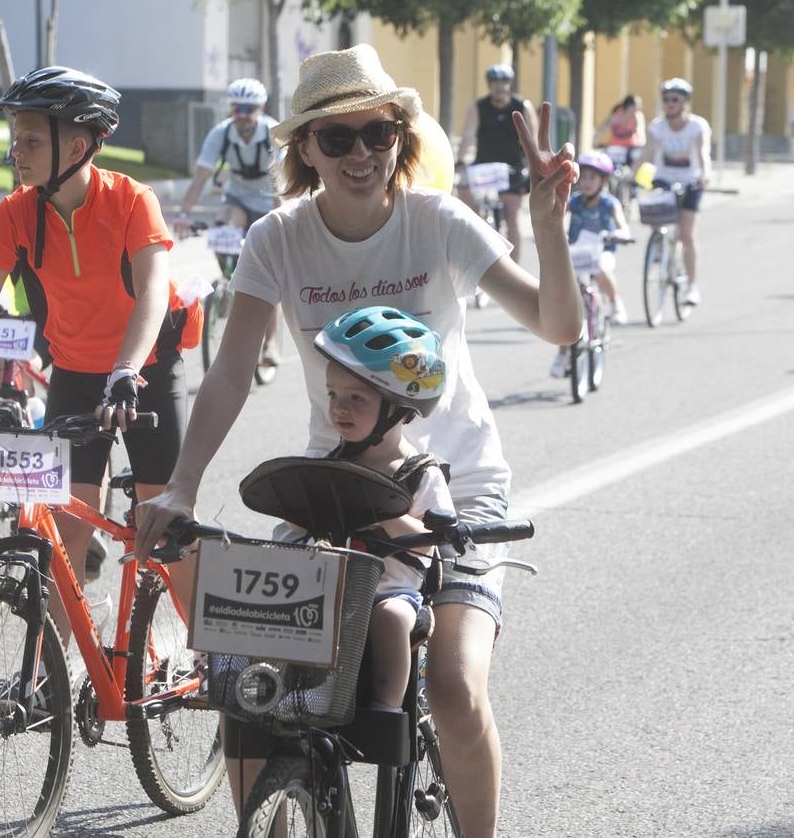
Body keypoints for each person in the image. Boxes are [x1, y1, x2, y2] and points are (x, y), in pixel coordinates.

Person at [134, 43, 582, 837]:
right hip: (335, 487)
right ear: (304, 148)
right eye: (336, 139)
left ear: (399, 138)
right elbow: (232, 373)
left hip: (454, 489)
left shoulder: (437, 221)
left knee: (451, 688)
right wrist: (181, 485)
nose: (361, 154)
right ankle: (275, 817)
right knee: (252, 683)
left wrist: (549, 226)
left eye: (377, 133)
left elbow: (557, 325)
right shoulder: (278, 238)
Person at [0, 65, 195, 636]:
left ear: (77, 146)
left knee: (167, 530)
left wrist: (127, 371)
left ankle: (212, 661)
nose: (17, 151)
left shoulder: (133, 201)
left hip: (144, 372)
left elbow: (152, 294)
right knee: (64, 537)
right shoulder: (15, 213)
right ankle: (52, 673)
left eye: (31, 139)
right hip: (76, 373)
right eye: (15, 138)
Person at [314, 307, 452, 712]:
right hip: (335, 585)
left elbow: (428, 545)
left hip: (393, 591)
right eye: (334, 395)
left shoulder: (420, 473)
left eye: (357, 398)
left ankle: (386, 709)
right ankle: (296, 693)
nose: (340, 408)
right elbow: (302, 519)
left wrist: (379, 508)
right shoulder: (332, 463)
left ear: (397, 405)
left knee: (390, 618)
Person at [175, 77, 282, 367]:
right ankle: (229, 282)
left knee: (268, 275)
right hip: (237, 199)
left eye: (249, 108)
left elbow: (282, 185)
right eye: (237, 108)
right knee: (224, 224)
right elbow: (200, 178)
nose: (243, 115)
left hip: (268, 200)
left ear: (260, 108)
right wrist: (184, 215)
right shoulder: (221, 134)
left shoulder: (273, 133)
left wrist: (281, 222)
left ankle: (270, 345)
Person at [549, 152, 630, 378]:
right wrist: (556, 232)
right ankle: (563, 354)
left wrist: (620, 233)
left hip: (601, 252)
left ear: (603, 181)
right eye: (583, 177)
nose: (586, 182)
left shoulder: (609, 203)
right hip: (577, 254)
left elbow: (622, 226)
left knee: (601, 268)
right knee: (567, 306)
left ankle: (615, 302)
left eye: (592, 178)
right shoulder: (574, 202)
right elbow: (560, 219)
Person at [455, 63, 539, 263]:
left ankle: (515, 266)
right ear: (489, 85)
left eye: (504, 82)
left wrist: (533, 165)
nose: (499, 87)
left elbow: (532, 139)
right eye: (494, 83)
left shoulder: (522, 106)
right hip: (484, 167)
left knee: (512, 216)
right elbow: (467, 136)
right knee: (463, 191)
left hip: (513, 168)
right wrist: (459, 161)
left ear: (510, 84)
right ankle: (475, 246)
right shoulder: (478, 107)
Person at [639, 77, 712, 306]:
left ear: (684, 103)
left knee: (686, 234)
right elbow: (646, 153)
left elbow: (703, 153)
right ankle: (660, 248)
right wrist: (631, 175)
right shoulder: (656, 127)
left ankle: (692, 287)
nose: (669, 104)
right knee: (656, 217)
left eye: (674, 100)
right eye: (666, 100)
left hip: (691, 181)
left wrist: (706, 174)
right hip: (664, 179)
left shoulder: (697, 126)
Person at [595, 94, 646, 169]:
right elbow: (602, 129)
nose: (639, 108)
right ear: (629, 106)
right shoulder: (617, 115)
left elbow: (640, 132)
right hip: (615, 147)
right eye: (637, 106)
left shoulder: (637, 117)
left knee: (638, 160)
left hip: (631, 148)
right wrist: (596, 142)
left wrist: (642, 146)